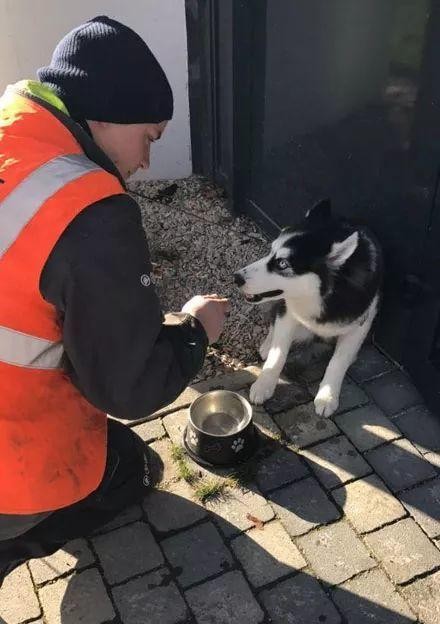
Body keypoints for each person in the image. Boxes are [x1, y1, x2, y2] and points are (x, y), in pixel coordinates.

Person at [0, 15, 229, 584]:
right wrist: (195, 331)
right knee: (126, 470)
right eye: (149, 136)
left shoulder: (12, 129)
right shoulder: (91, 214)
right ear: (104, 113)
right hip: (11, 454)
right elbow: (127, 387)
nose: (146, 162)